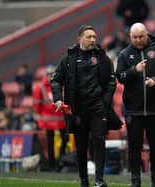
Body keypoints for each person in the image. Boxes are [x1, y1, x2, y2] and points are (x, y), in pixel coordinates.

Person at [51, 25, 120, 187]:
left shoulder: (102, 56)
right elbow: (55, 80)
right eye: (89, 37)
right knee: (81, 146)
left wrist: (106, 101)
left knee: (99, 142)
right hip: (78, 110)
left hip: (98, 108)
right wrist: (58, 99)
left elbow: (112, 79)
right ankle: (83, 180)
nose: (93, 40)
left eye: (94, 37)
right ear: (80, 38)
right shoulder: (68, 58)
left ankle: (99, 180)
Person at [116, 23, 155, 187]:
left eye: (141, 36)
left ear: (147, 34)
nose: (138, 40)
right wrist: (135, 70)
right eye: (134, 37)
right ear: (130, 37)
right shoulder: (125, 54)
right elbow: (120, 76)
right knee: (134, 147)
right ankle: (135, 180)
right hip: (134, 110)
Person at [33, 65, 68, 171]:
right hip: (48, 121)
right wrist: (40, 116)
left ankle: (61, 159)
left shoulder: (60, 85)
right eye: (49, 74)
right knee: (50, 143)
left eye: (53, 74)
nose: (51, 76)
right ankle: (52, 165)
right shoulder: (41, 87)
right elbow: (37, 104)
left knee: (65, 139)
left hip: (60, 119)